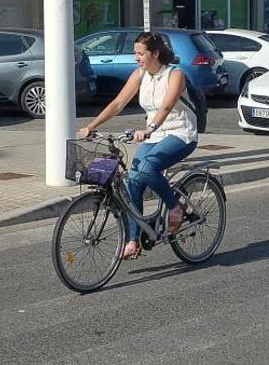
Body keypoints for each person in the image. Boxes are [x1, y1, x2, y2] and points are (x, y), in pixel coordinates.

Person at [79, 31, 199, 259]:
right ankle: (134, 240)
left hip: (181, 133)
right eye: (135, 53)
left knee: (146, 168)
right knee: (133, 178)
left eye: (140, 53)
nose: (136, 58)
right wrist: (92, 126)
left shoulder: (175, 75)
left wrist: (149, 129)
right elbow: (117, 103)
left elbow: (166, 107)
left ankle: (176, 208)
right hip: (154, 135)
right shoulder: (140, 74)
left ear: (155, 53)